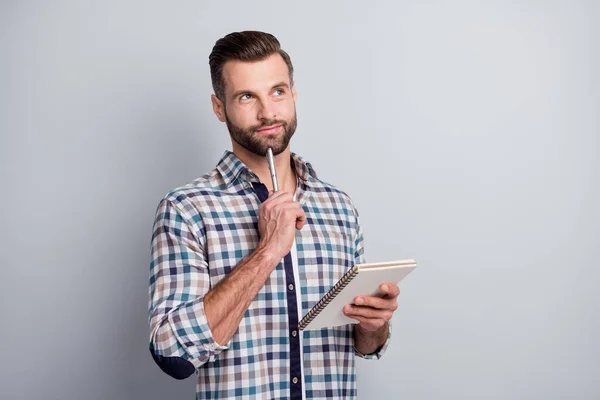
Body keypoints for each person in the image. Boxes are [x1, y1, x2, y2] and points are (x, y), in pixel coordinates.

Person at [148, 31, 401, 399]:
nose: (268, 112)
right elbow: (173, 356)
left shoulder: (338, 207)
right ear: (219, 108)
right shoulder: (187, 210)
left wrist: (374, 326)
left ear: (294, 95)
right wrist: (267, 251)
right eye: (247, 96)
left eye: (278, 92)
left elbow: (361, 345)